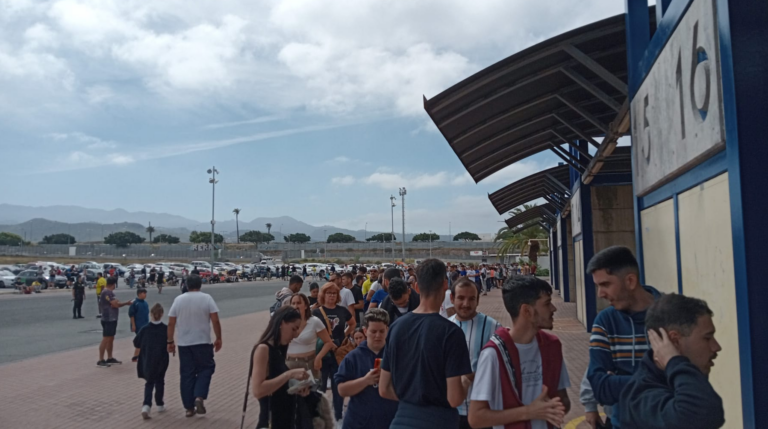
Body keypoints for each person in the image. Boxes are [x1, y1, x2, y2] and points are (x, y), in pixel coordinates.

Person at [379, 259, 472, 429]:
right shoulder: (451, 333)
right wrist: (466, 380)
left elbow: (384, 389)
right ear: (445, 285)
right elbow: (455, 398)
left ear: (415, 287)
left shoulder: (396, 328)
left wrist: (412, 401)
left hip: (401, 420)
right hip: (440, 421)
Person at [468, 275, 570, 429]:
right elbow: (476, 418)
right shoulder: (493, 354)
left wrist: (555, 407)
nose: (553, 309)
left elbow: (564, 399)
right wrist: (529, 412)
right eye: (547, 304)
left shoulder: (552, 346)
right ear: (527, 311)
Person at [619, 294, 724, 429]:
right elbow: (701, 415)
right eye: (707, 338)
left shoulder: (679, 377)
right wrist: (674, 361)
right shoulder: (641, 398)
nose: (716, 347)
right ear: (674, 341)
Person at [586, 246, 660, 428]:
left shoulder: (674, 314)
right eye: (597, 286)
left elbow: (687, 382)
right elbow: (599, 387)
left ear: (630, 281)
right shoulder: (605, 321)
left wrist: (616, 382)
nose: (600, 294)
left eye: (605, 285)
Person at [448, 277, 502, 429]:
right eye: (461, 298)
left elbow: (503, 366)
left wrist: (476, 374)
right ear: (452, 299)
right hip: (451, 412)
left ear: (478, 300)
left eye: (471, 299)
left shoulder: (493, 327)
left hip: (482, 411)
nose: (466, 304)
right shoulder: (444, 328)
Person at [167, 274, 223, 418]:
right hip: (203, 342)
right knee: (207, 368)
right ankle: (199, 396)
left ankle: (189, 408)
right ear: (200, 284)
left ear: (186, 284)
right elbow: (215, 320)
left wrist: (170, 342)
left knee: (187, 374)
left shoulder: (178, 300)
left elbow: (171, 322)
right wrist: (219, 338)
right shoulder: (206, 298)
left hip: (184, 343)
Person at [336, 309, 399, 429]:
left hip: (392, 421)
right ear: (365, 331)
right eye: (373, 331)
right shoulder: (353, 357)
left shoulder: (397, 355)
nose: (378, 336)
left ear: (387, 330)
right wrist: (365, 381)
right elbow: (342, 390)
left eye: (381, 331)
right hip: (359, 422)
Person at [251, 306, 311, 429]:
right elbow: (258, 390)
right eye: (293, 329)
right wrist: (289, 374)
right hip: (271, 421)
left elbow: (277, 382)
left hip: (285, 419)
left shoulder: (279, 349)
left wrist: (297, 387)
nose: (295, 335)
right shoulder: (263, 349)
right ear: (282, 323)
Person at [312, 282, 357, 422]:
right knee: (321, 385)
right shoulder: (317, 312)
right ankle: (321, 414)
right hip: (323, 352)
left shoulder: (342, 310)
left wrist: (345, 334)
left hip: (338, 353)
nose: (331, 295)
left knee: (338, 384)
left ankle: (338, 414)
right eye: (328, 293)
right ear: (323, 295)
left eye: (334, 293)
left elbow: (353, 323)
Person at [287, 293, 336, 379]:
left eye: (299, 303)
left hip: (308, 363)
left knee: (310, 391)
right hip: (289, 363)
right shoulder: (285, 323)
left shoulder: (314, 321)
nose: (296, 306)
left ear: (306, 306)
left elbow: (328, 342)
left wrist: (318, 357)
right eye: (293, 303)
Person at [134, 303, 170, 420]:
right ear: (162, 314)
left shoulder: (144, 329)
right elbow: (169, 343)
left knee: (149, 382)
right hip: (161, 359)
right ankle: (160, 404)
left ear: (151, 314)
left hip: (148, 359)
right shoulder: (165, 329)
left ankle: (146, 406)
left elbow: (136, 343)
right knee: (160, 381)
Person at [98, 277, 133, 368]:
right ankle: (101, 359)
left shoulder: (107, 292)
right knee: (106, 338)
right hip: (109, 318)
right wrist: (126, 303)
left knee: (111, 338)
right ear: (113, 284)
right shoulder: (108, 292)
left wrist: (116, 303)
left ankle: (110, 357)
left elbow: (115, 302)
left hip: (111, 318)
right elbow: (116, 304)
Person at [129, 288, 150, 362]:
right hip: (138, 325)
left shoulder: (145, 303)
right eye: (143, 293)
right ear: (139, 294)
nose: (145, 295)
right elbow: (132, 315)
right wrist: (133, 325)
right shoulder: (135, 303)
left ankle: (140, 355)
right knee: (141, 340)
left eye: (145, 293)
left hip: (145, 324)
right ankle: (136, 356)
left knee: (144, 340)